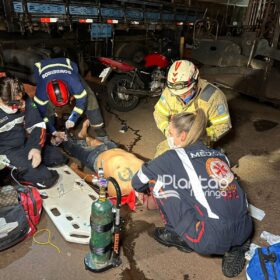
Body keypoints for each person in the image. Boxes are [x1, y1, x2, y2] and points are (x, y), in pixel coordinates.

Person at [132, 109, 252, 278]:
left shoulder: (173, 156)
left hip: (210, 238)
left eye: (172, 133)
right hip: (245, 228)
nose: (169, 137)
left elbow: (137, 180)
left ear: (184, 135)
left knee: (158, 181)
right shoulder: (220, 156)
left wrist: (140, 192)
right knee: (209, 190)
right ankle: (235, 246)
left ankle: (176, 234)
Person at [153, 59, 231, 157]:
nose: (181, 97)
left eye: (185, 93)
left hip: (200, 140)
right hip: (177, 138)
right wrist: (168, 130)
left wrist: (199, 136)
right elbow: (159, 113)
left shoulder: (214, 97)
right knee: (160, 158)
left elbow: (223, 125)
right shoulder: (170, 91)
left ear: (196, 81)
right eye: (177, 95)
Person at [0, 77, 67, 189]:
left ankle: (28, 167)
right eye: (11, 104)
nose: (17, 107)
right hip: (6, 152)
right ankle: (15, 174)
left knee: (59, 158)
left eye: (19, 102)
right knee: (46, 179)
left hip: (24, 143)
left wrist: (36, 147)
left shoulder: (23, 99)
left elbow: (37, 124)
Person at [33, 57, 107, 144]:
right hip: (43, 71)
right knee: (47, 111)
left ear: (69, 92)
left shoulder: (74, 82)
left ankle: (99, 130)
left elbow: (81, 100)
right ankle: (51, 134)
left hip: (68, 68)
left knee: (90, 97)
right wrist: (53, 131)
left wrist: (73, 118)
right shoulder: (41, 93)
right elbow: (41, 115)